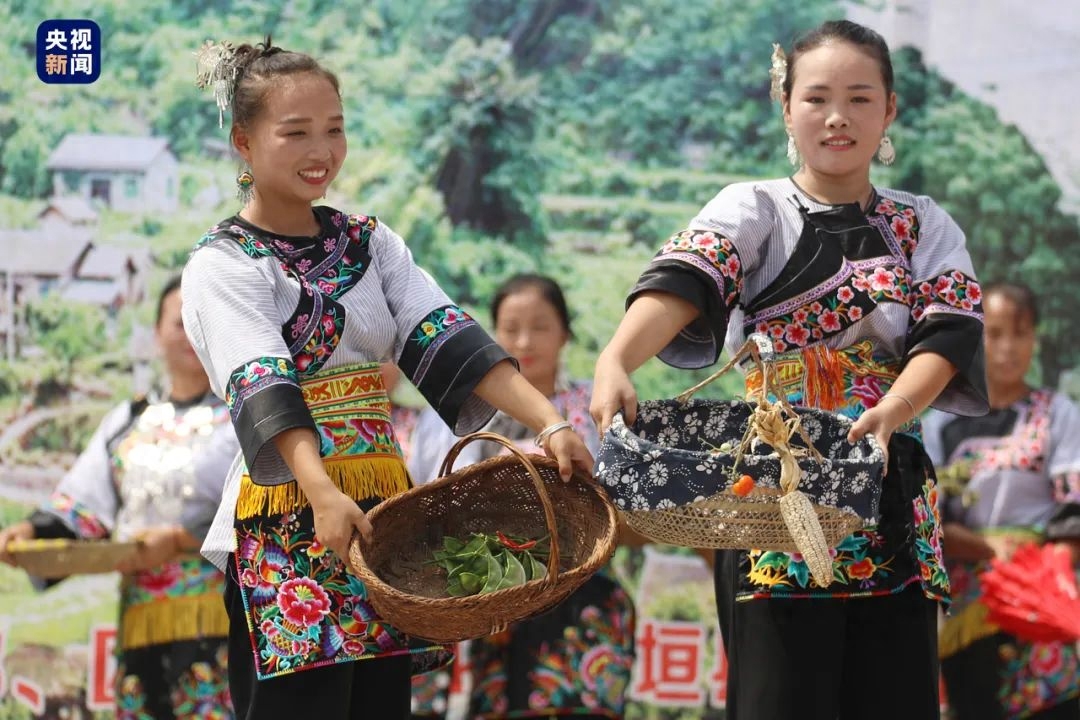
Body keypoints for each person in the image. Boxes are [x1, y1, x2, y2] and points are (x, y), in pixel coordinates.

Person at [181, 38, 593, 720]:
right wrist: (320, 493)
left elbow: (449, 338)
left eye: (335, 129)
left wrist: (550, 422)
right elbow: (265, 385)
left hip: (382, 516)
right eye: (296, 133)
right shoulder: (223, 265)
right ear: (245, 144)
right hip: (291, 515)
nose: (322, 150)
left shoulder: (370, 243)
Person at [589, 20, 989, 720]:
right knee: (780, 696)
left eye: (860, 98)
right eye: (817, 98)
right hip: (773, 479)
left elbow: (948, 335)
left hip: (887, 475)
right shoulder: (754, 207)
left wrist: (892, 412)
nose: (838, 117)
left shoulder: (924, 225)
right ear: (787, 108)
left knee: (893, 695)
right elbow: (685, 282)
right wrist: (616, 358)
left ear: (890, 109)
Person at [0, 277, 238, 720]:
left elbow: (261, 510)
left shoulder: (241, 418)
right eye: (179, 322)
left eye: (202, 321)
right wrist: (32, 531)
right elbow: (84, 505)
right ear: (156, 335)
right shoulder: (127, 420)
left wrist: (181, 540)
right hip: (140, 617)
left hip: (220, 617)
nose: (190, 334)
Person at [409, 274, 635, 719]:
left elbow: (630, 510)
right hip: (495, 613)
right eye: (510, 328)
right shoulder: (459, 419)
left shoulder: (596, 410)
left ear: (565, 333)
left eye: (541, 326)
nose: (525, 340)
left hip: (585, 602)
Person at [923, 282, 1080, 720]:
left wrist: (1043, 581)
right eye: (994, 333)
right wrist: (987, 550)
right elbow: (932, 520)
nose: (1008, 348)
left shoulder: (1059, 413)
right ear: (977, 337)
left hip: (1040, 592)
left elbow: (1073, 512)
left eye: (1020, 333)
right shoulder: (942, 424)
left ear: (1035, 337)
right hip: (969, 601)